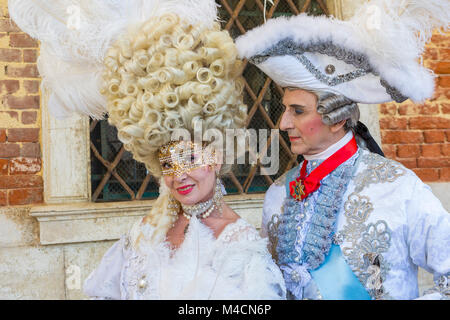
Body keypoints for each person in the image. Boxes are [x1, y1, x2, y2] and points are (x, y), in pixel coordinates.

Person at [9, 0, 286, 299]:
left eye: (189, 158)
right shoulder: (144, 235)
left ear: (215, 157)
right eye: (167, 163)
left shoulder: (244, 249)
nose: (178, 174)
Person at [235, 0, 450, 300]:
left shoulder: (399, 188)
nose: (283, 123)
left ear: (336, 120)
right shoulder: (278, 195)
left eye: (297, 111)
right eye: (285, 110)